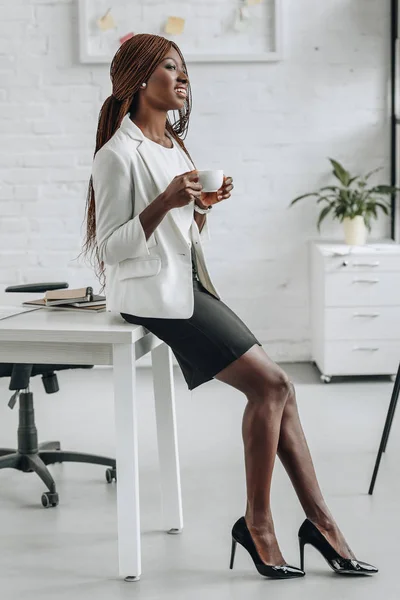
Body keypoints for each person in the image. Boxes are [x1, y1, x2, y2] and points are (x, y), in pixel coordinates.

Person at [82, 33, 378, 579]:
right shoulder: (116, 153)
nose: (182, 78)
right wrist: (167, 200)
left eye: (184, 69)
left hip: (190, 285)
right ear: (139, 80)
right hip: (154, 297)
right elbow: (111, 248)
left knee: (279, 389)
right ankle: (262, 525)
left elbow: (181, 234)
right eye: (170, 68)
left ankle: (318, 523)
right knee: (271, 386)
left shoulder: (172, 144)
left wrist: (200, 210)